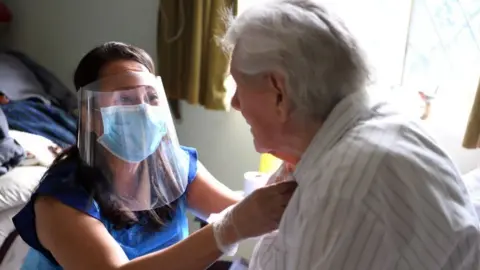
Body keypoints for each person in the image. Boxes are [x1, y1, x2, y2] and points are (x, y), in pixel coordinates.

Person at [220, 0, 480, 269]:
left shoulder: (345, 191)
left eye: (240, 86)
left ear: (279, 93)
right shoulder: (369, 126)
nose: (236, 102)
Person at [12, 41, 297, 270]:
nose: (143, 110)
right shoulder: (60, 202)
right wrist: (227, 230)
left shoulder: (175, 166)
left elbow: (240, 211)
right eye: (125, 99)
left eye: (151, 97)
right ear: (90, 115)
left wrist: (290, 161)